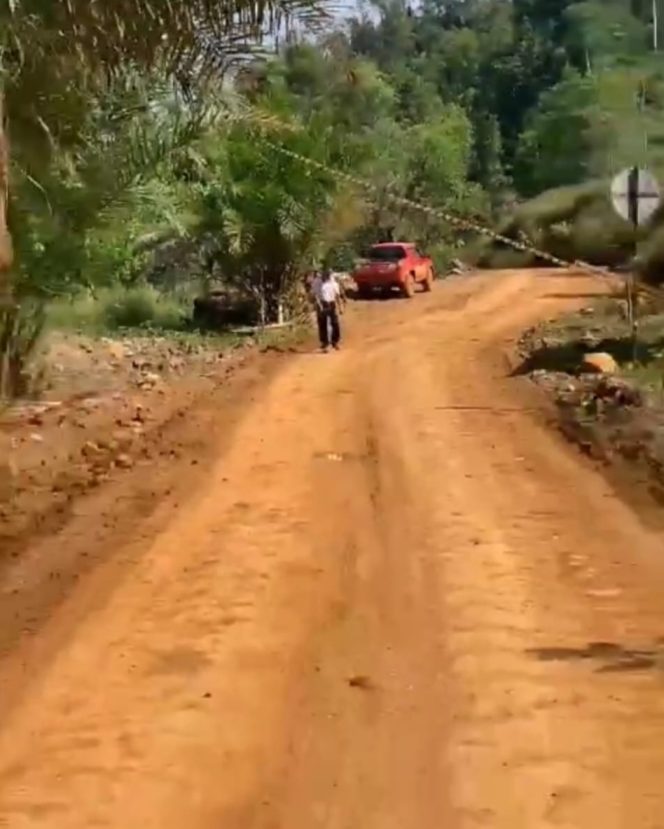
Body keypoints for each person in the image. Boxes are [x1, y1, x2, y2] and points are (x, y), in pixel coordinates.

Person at [311, 269, 344, 352]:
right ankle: (325, 343)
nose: (326, 277)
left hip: (331, 303)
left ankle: (335, 341)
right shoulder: (316, 282)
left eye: (328, 275)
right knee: (322, 323)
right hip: (321, 302)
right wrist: (319, 305)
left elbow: (337, 296)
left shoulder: (333, 283)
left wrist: (340, 307)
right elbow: (315, 295)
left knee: (335, 323)